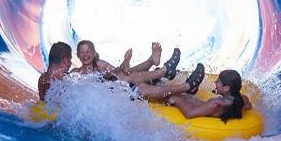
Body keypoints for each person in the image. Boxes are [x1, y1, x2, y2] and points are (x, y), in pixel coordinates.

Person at [74, 40, 205, 100]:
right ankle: (165, 71)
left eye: (88, 51)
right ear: (78, 54)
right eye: (82, 52)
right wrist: (124, 64)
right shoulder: (76, 73)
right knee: (132, 81)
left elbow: (117, 73)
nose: (85, 55)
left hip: (122, 87)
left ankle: (161, 69)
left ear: (94, 52)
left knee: (124, 76)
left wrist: (124, 64)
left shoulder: (100, 64)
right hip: (114, 95)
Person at [167, 70, 251, 122]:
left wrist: (176, 100)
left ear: (226, 88)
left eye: (218, 81)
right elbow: (248, 106)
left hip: (204, 114)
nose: (215, 83)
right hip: (211, 110)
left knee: (175, 97)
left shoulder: (216, 103)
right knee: (186, 97)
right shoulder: (243, 99)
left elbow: (190, 113)